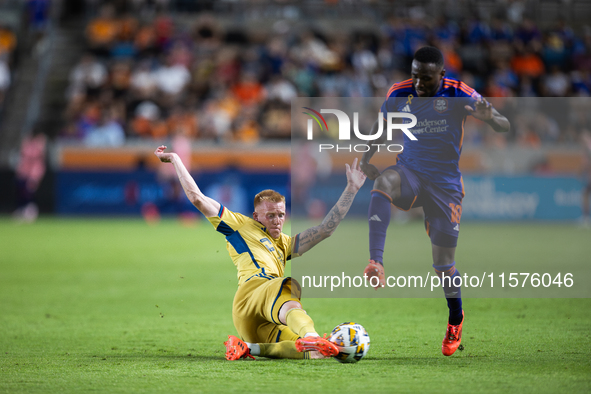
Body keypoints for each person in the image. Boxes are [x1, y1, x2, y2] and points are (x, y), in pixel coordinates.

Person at [360, 46, 510, 356]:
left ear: (441, 75)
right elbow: (381, 128)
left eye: (426, 79)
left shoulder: (459, 93)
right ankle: (376, 260)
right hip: (411, 172)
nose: (418, 84)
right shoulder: (399, 92)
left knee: (443, 265)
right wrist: (365, 160)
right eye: (415, 76)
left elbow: (502, 123)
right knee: (384, 181)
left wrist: (492, 118)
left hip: (445, 186)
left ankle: (456, 318)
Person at [154, 145, 366, 360]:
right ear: (256, 216)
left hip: (251, 325)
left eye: (281, 215)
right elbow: (197, 197)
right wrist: (175, 159)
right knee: (287, 286)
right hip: (253, 291)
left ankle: (248, 348)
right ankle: (311, 334)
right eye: (270, 215)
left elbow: (325, 230)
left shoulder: (285, 243)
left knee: (315, 354)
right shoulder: (239, 224)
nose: (277, 220)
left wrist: (351, 189)